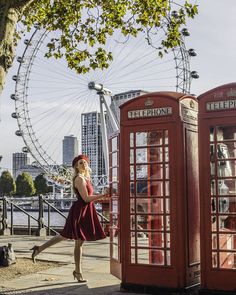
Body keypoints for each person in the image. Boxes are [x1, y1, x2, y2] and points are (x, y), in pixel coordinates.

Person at [30, 154, 109, 283]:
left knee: (68, 237)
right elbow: (86, 199)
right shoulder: (79, 179)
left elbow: (89, 197)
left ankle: (39, 249)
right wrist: (103, 195)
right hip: (80, 211)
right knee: (76, 240)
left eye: (85, 162)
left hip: (85, 210)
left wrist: (103, 196)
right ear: (76, 167)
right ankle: (78, 272)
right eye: (80, 163)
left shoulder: (86, 178)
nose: (84, 164)